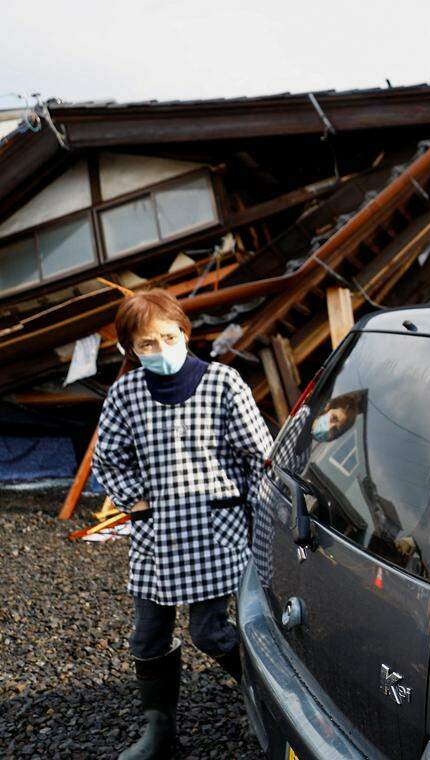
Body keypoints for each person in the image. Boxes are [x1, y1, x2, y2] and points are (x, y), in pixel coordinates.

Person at [92, 289, 272, 760]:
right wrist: (137, 502)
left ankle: (267, 697)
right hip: (156, 534)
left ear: (185, 333)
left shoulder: (223, 383)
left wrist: (260, 523)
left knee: (209, 632)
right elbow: (108, 459)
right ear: (131, 349)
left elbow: (260, 458)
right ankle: (160, 730)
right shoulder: (125, 394)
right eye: (147, 344)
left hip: (216, 530)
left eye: (168, 337)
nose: (161, 350)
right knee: (147, 634)